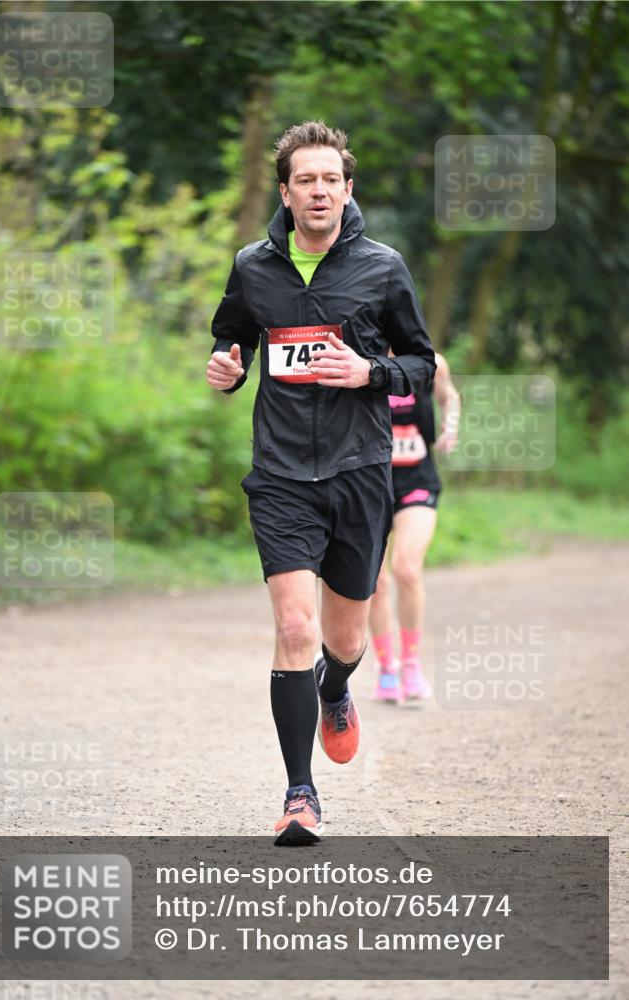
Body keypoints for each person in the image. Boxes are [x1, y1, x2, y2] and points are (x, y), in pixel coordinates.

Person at [206, 121, 435, 845]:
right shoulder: (253, 266)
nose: (318, 190)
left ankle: (337, 689)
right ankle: (299, 794)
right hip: (278, 475)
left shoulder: (382, 267)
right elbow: (231, 334)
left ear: (346, 188)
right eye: (304, 179)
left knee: (344, 637)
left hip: (359, 471)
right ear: (284, 190)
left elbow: (422, 362)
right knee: (294, 627)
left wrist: (372, 372)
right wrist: (226, 365)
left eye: (329, 179)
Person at [369, 353, 460, 702]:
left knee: (406, 569)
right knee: (374, 580)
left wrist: (450, 427)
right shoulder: (362, 359)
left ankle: (410, 663)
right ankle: (386, 667)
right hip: (372, 483)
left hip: (417, 480)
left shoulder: (430, 361)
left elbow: (448, 395)